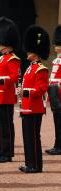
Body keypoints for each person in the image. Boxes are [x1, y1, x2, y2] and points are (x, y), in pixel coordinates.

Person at [18, 25, 50, 173]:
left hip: (35, 108)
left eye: (29, 51)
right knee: (27, 138)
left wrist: (25, 92)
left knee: (33, 138)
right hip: (26, 108)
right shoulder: (30, 68)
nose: (27, 53)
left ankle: (36, 165)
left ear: (35, 54)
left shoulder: (41, 69)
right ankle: (30, 163)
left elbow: (41, 89)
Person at [0, 17, 21, 163]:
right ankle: (2, 151)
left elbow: (14, 77)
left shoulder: (12, 59)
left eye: (1, 43)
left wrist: (0, 79)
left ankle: (7, 153)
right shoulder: (2, 58)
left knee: (7, 126)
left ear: (7, 44)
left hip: (6, 97)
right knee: (0, 126)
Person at [45, 25, 61, 155]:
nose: (56, 46)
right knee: (57, 120)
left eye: (58, 44)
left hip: (60, 93)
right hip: (55, 92)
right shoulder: (57, 60)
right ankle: (58, 144)